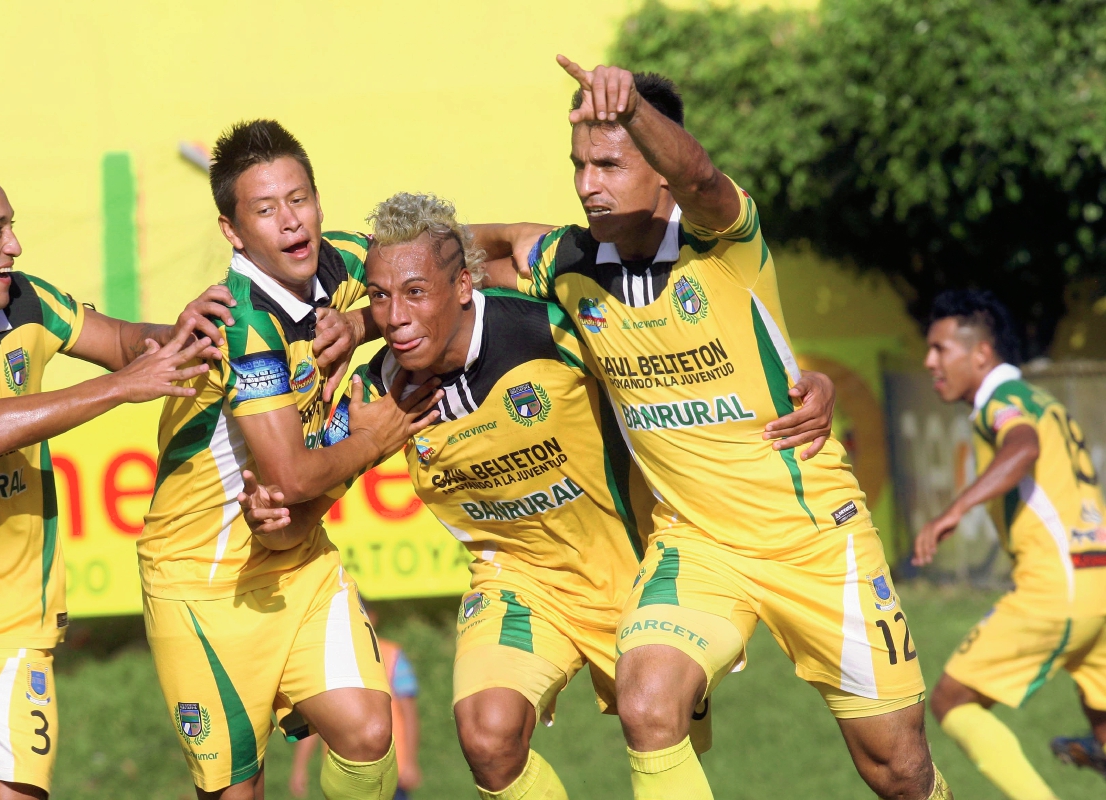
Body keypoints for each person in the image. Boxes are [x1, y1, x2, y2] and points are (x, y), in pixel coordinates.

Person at [242, 192, 838, 800]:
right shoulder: (378, 392)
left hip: (632, 572)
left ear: (464, 286)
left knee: (657, 724)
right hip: (516, 581)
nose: (394, 316)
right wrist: (273, 521)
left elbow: (682, 365)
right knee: (486, 735)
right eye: (379, 297)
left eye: (416, 293)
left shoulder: (551, 328)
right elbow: (305, 503)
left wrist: (803, 385)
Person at [475, 58, 951, 800]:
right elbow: (470, 253)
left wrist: (631, 106)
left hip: (812, 536)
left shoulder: (722, 243)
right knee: (645, 702)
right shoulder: (569, 262)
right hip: (695, 544)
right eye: (578, 164)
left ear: (658, 167)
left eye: (608, 163)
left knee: (898, 769)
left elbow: (701, 180)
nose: (586, 183)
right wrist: (342, 280)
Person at [0, 148, 232, 799]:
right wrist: (125, 389)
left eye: (13, 226)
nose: (15, 246)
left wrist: (184, 338)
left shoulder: (28, 303)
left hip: (5, 628)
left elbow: (122, 342)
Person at [139, 120, 444, 800]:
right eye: (266, 209)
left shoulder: (335, 262)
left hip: (296, 560)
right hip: (201, 586)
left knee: (369, 731)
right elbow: (288, 477)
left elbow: (442, 256)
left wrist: (362, 322)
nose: (290, 221)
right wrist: (375, 437)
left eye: (299, 198)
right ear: (232, 231)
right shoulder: (244, 325)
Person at [915, 289, 1106, 798]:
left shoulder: (1002, 403)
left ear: (980, 353)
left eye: (940, 349)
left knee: (952, 700)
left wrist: (956, 508)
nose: (929, 361)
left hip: (1056, 590)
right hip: (1098, 584)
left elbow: (1023, 446)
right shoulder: (1044, 400)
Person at [289, 604, 421, 800]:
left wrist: (410, 761)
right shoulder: (327, 658)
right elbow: (315, 719)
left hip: (391, 768)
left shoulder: (392, 654)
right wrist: (299, 767)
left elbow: (409, 713)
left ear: (372, 618)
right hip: (345, 772)